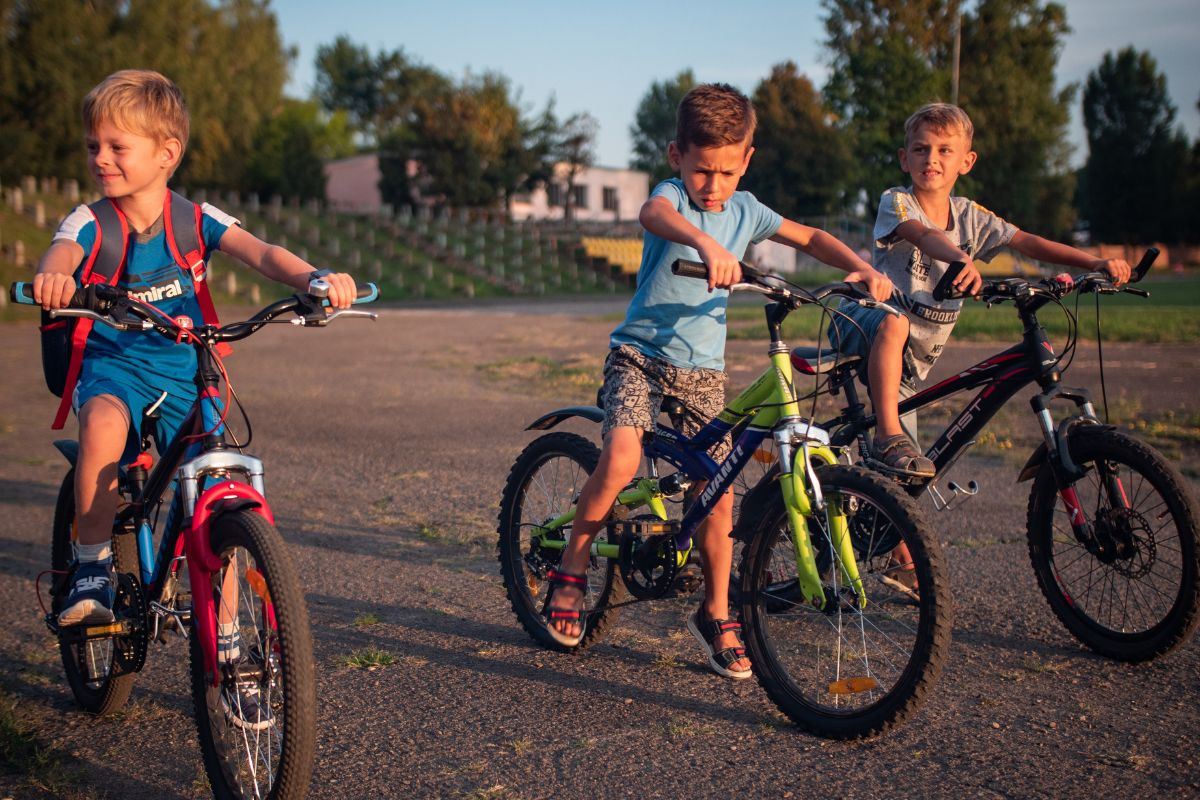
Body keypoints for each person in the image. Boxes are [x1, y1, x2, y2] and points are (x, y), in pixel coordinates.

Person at [543, 83, 891, 679]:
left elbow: (809, 237)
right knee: (622, 459)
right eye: (702, 169)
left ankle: (715, 611)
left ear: (747, 160)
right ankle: (572, 569)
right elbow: (653, 214)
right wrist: (704, 241)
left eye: (727, 172)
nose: (713, 185)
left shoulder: (747, 208)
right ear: (677, 155)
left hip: (701, 371)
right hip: (639, 356)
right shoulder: (673, 197)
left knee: (719, 491)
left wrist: (860, 265)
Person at [32, 70, 357, 697]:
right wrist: (54, 279)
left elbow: (261, 252)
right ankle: (92, 567)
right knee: (100, 432)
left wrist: (316, 279)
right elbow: (62, 253)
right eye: (93, 146)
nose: (100, 158)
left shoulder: (195, 219)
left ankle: (229, 641)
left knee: (221, 498)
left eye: (117, 146)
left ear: (167, 153)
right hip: (116, 368)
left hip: (188, 369)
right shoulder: (90, 220)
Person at [832, 103, 1131, 480]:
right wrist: (960, 258)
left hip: (907, 362)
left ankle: (880, 499)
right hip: (860, 324)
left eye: (944, 150)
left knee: (903, 482)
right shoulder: (897, 201)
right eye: (921, 149)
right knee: (895, 326)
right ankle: (886, 436)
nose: (931, 158)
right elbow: (922, 234)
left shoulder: (970, 216)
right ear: (904, 159)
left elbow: (1026, 241)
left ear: (967, 161)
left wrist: (1093, 262)